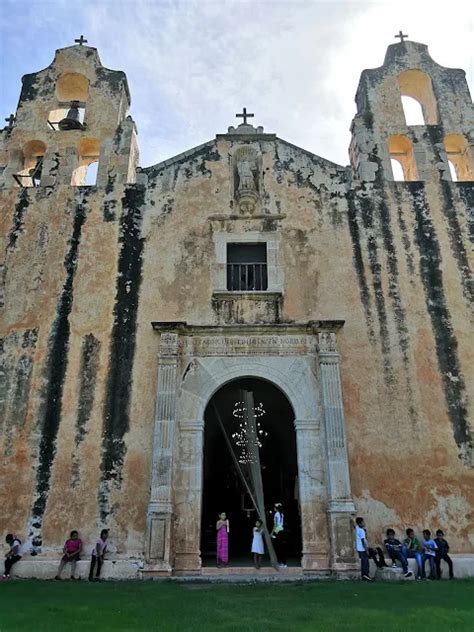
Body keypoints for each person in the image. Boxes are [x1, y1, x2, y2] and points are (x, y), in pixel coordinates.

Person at [354, 517, 372, 581]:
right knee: (365, 562)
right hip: (362, 549)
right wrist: (366, 550)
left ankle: (363, 575)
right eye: (363, 522)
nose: (364, 523)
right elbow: (363, 541)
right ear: (360, 523)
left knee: (363, 561)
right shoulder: (361, 531)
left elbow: (354, 526)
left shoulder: (356, 529)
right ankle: (365, 575)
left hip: (359, 548)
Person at [271, 503, 287, 568]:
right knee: (281, 547)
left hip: (277, 531)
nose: (274, 508)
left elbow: (275, 525)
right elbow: (282, 524)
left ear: (276, 508)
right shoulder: (282, 514)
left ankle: (280, 562)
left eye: (274, 507)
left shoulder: (276, 514)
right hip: (282, 531)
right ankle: (284, 563)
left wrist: (272, 533)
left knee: (278, 548)